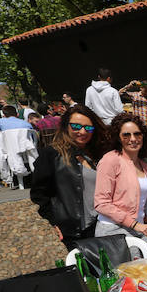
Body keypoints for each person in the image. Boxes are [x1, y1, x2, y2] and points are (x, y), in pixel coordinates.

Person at [30, 105, 109, 247]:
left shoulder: (98, 153)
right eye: (76, 126)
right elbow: (39, 193)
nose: (82, 132)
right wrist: (54, 221)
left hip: (103, 225)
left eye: (88, 128)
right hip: (74, 229)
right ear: (66, 126)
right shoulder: (52, 153)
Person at [94, 113, 147, 254]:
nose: (133, 139)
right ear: (118, 137)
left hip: (140, 230)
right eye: (126, 135)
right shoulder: (110, 160)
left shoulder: (146, 168)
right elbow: (101, 203)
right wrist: (134, 224)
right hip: (113, 231)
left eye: (137, 134)